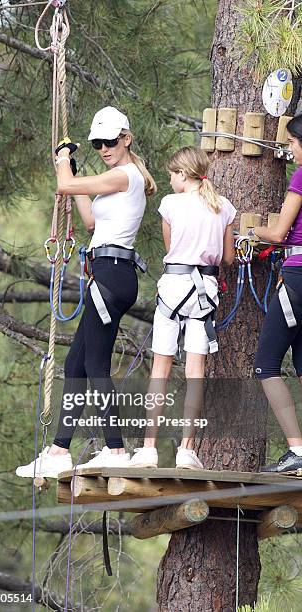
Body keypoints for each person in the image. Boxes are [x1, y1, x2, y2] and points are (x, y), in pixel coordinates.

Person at [16, 106, 156, 478]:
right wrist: (73, 172)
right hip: (108, 273)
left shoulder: (125, 175)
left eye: (110, 141)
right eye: (98, 144)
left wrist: (63, 159)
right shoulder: (116, 179)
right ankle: (60, 449)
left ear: (125, 138)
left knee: (94, 364)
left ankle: (114, 448)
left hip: (112, 275)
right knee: (76, 364)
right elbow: (91, 221)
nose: (105, 148)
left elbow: (63, 185)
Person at [127, 146, 236, 469]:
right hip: (205, 292)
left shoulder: (170, 204)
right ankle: (186, 449)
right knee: (195, 373)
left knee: (160, 369)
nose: (170, 180)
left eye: (172, 174)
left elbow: (171, 248)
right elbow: (228, 258)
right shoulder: (224, 207)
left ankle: (148, 448)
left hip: (174, 288)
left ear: (182, 174)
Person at [252, 115, 302, 473]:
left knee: (266, 365)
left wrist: (252, 229)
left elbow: (281, 232)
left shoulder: (301, 176)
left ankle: (298, 450)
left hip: (298, 275)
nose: (290, 149)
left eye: (293, 143)